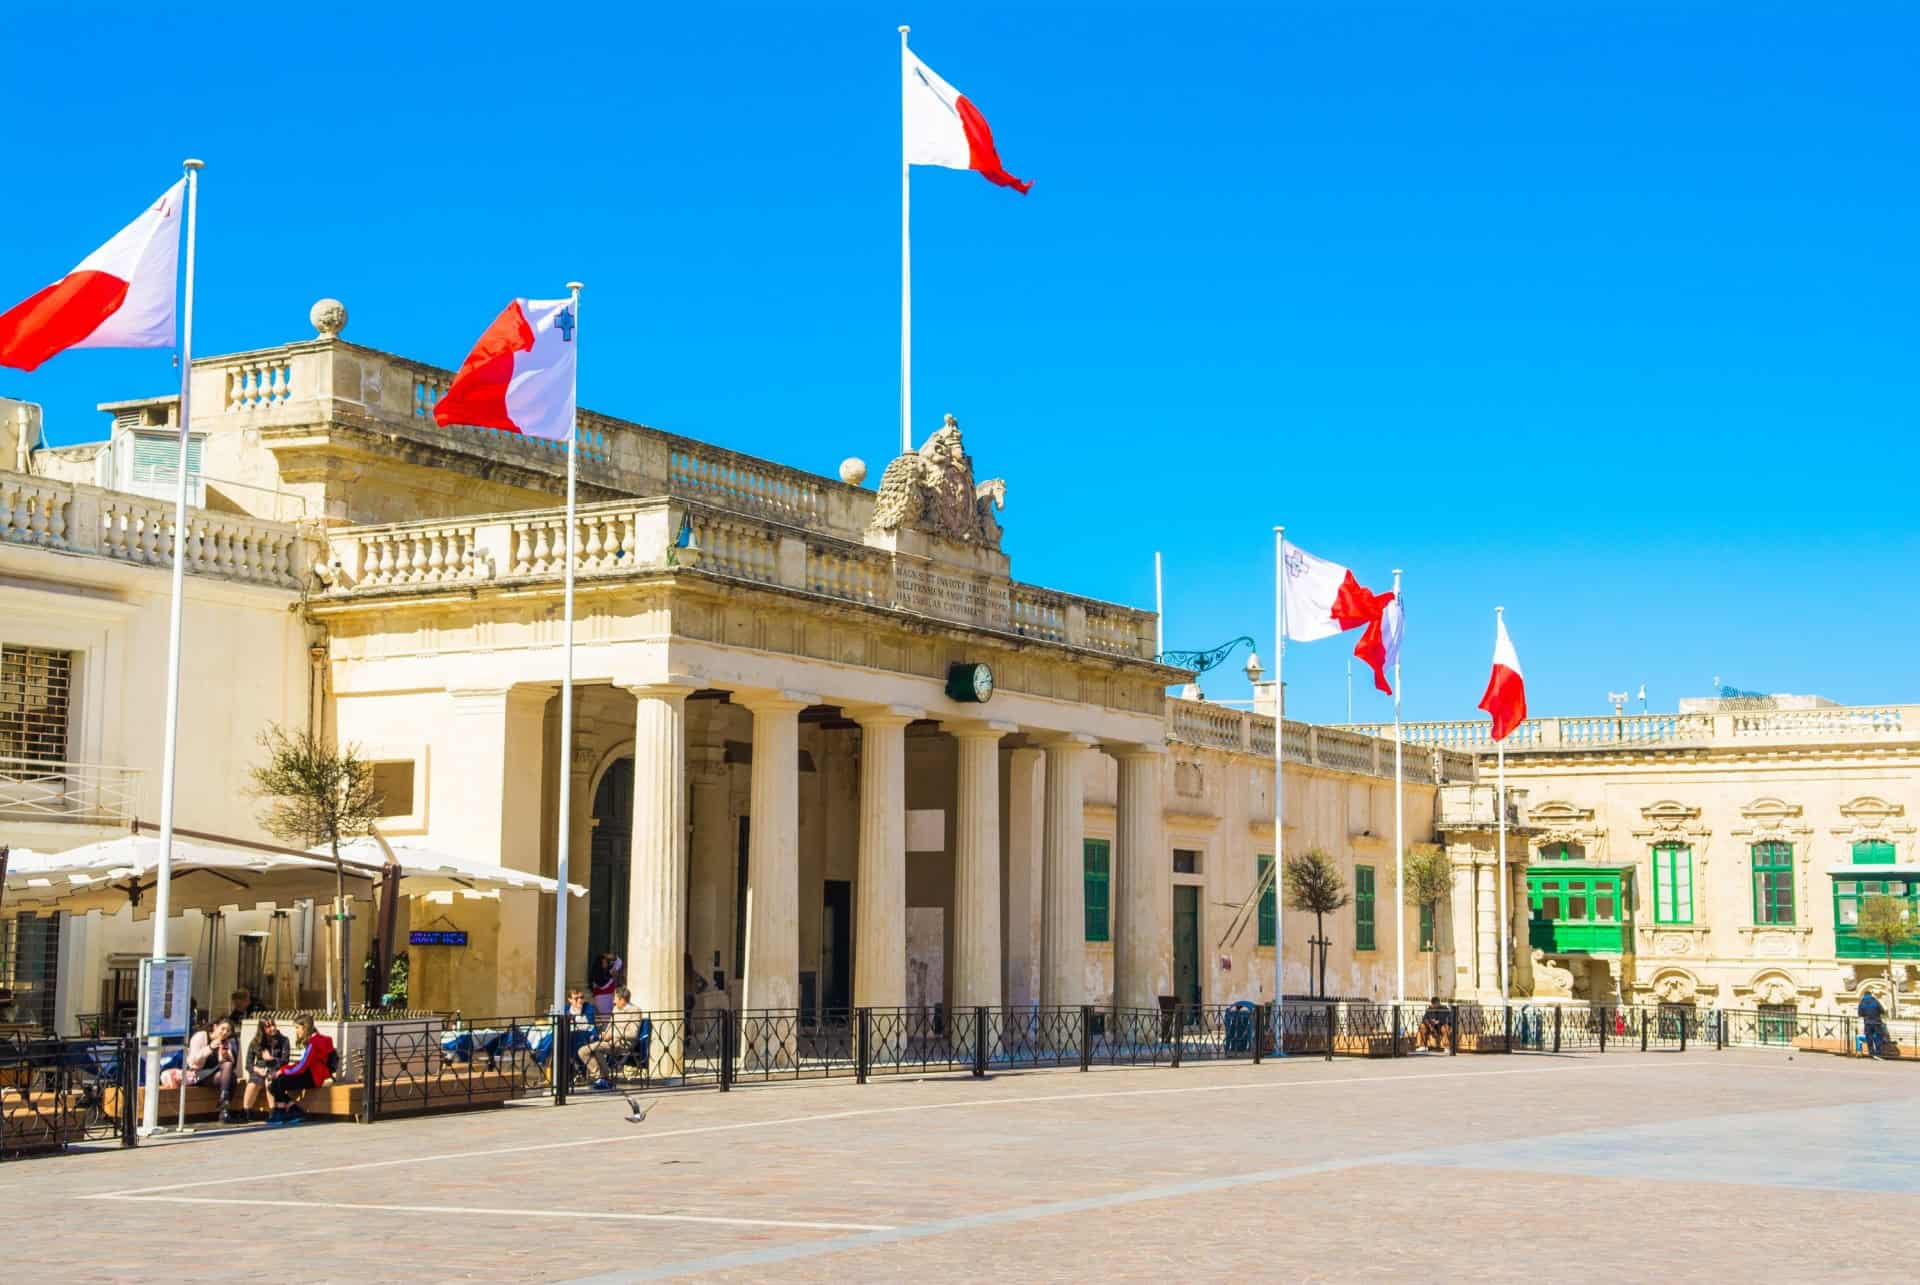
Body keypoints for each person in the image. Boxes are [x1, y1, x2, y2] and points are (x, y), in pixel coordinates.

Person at [267, 1014, 336, 1124]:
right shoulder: (315, 1039)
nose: (296, 1031)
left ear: (305, 1027)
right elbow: (302, 1064)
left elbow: (301, 1066)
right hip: (311, 1074)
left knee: (277, 1083)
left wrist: (282, 1071)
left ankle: (282, 1112)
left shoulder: (314, 1042)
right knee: (275, 1084)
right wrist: (284, 1070)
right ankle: (292, 1109)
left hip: (313, 1077)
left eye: (297, 1027)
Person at [578, 986, 641, 1089]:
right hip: (610, 1042)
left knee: (588, 1050)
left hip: (624, 1043)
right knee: (584, 1051)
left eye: (615, 998)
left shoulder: (635, 1010)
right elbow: (610, 1027)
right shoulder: (616, 1009)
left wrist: (613, 1034)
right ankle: (603, 1077)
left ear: (622, 999)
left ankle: (600, 1078)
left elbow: (633, 1034)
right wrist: (604, 1034)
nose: (613, 1001)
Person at [184, 1018, 240, 1123]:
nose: (225, 1033)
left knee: (231, 1073)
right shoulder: (201, 1036)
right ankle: (224, 1110)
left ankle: (224, 1103)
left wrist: (225, 1055)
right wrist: (210, 1047)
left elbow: (230, 1064)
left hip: (215, 1075)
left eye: (228, 1031)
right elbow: (192, 1061)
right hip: (197, 1074)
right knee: (231, 1077)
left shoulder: (226, 1041)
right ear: (215, 1027)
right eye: (222, 1029)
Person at [241, 1015, 291, 1121]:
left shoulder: (284, 1040)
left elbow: (285, 1061)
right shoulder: (256, 1042)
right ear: (262, 1029)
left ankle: (273, 1111)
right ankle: (246, 1112)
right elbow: (248, 1064)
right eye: (268, 1026)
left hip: (275, 1070)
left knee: (270, 1081)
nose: (272, 1028)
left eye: (273, 1025)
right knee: (253, 1083)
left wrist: (271, 1059)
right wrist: (257, 1069)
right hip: (259, 1069)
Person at [1858, 989, 1889, 1059]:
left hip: (1867, 1023)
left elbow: (1860, 1014)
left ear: (1864, 995)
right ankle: (1878, 1054)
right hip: (1877, 1022)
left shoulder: (1862, 1002)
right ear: (1870, 995)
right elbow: (1882, 1011)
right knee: (1878, 1038)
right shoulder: (1875, 1001)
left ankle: (1871, 1053)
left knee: (1869, 1038)